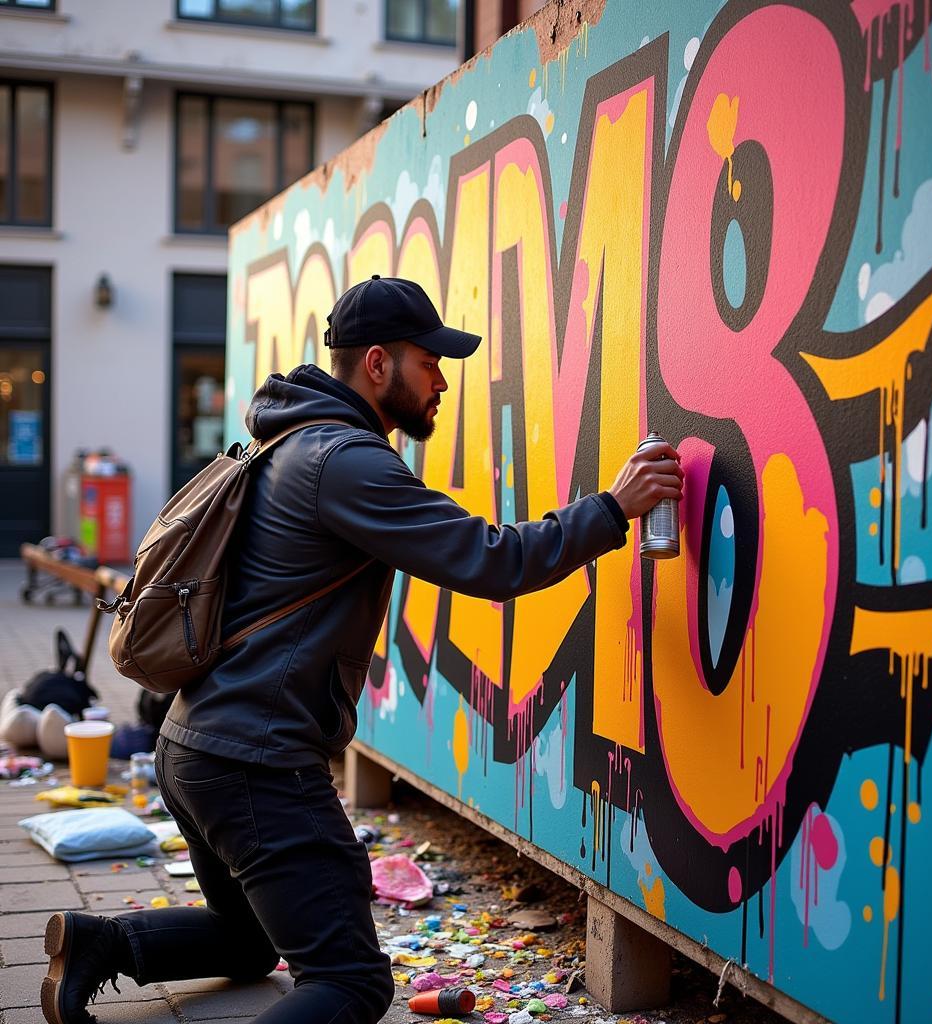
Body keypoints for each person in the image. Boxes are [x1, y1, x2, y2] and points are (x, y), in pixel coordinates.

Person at [41, 275, 684, 1024]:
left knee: (251, 941)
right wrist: (614, 507)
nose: (442, 379)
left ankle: (97, 946)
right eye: (428, 360)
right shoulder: (344, 462)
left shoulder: (287, 437)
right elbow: (496, 561)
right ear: (377, 364)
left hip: (196, 747)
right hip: (256, 762)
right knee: (350, 983)